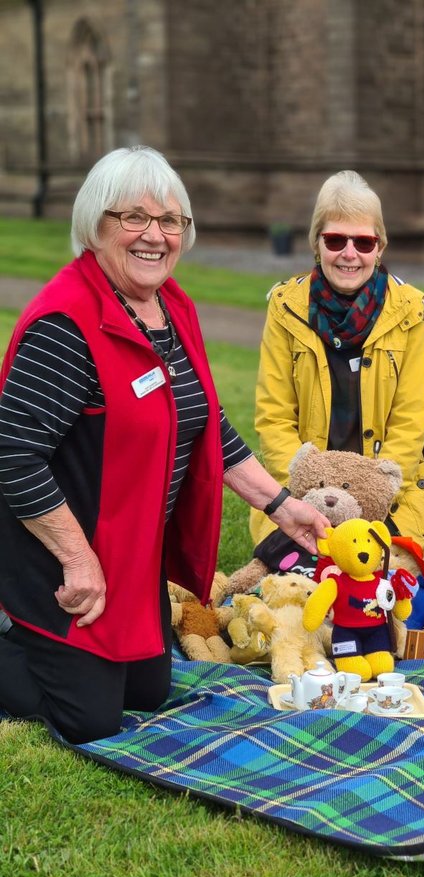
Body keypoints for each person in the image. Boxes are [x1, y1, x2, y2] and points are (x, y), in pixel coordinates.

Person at [0, 146, 329, 744]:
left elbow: (205, 423)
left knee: (147, 690)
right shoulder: (65, 324)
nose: (155, 236)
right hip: (58, 558)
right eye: (134, 218)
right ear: (94, 227)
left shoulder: (170, 307)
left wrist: (282, 507)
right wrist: (79, 561)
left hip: (130, 554)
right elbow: (13, 456)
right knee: (90, 720)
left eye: (170, 221)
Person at [252, 170, 424, 556]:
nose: (350, 253)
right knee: (294, 592)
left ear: (380, 248)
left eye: (364, 242)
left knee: (382, 597)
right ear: (317, 244)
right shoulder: (286, 308)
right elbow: (274, 417)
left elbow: (411, 422)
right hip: (304, 496)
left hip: (387, 495)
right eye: (335, 239)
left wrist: (372, 496)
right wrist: (310, 496)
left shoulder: (411, 313)